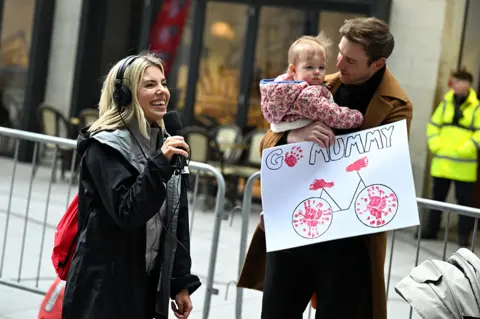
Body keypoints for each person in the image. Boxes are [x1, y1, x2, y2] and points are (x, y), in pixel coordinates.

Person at [237, 17, 413, 319]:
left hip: (348, 243)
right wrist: (291, 136)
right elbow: (267, 142)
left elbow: (383, 172)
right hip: (296, 225)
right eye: (340, 53)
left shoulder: (396, 105)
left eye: (351, 60)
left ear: (377, 63)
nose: (339, 63)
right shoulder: (316, 83)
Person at [62, 52, 201, 319]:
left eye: (163, 83)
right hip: (103, 289)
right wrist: (159, 164)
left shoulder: (166, 144)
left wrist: (180, 282)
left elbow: (176, 218)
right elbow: (128, 212)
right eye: (149, 85)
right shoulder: (104, 147)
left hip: (145, 285)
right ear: (123, 95)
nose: (162, 91)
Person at [421, 69, 480, 246]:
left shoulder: (476, 107)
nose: (456, 85)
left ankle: (464, 235)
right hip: (442, 162)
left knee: (464, 203)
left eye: (460, 82)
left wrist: (466, 149)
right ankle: (431, 230)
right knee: (436, 200)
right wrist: (435, 145)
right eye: (455, 82)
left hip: (464, 166)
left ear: (469, 85)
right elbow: (433, 126)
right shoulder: (445, 104)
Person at [260, 33, 363, 133]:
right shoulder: (308, 95)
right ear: (293, 70)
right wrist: (356, 117)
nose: (317, 72)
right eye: (309, 67)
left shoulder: (283, 90)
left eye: (321, 67)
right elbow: (331, 114)